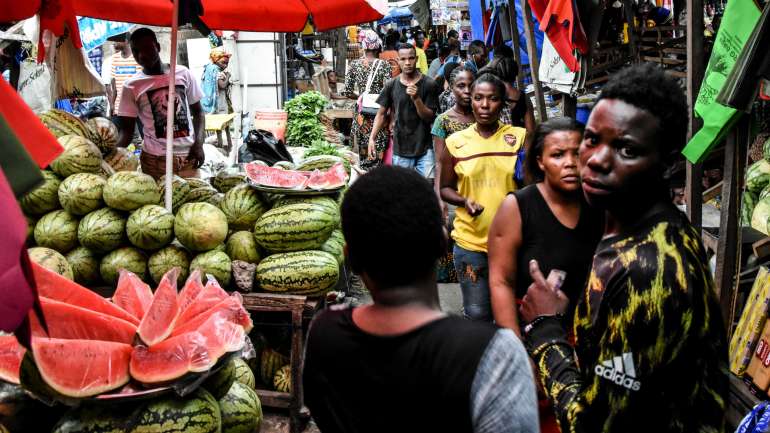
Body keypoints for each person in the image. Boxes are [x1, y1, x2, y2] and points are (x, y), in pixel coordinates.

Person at [519, 64, 728, 432]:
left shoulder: (649, 271)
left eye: (626, 149)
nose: (596, 159)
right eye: (592, 139)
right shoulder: (635, 229)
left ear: (666, 164)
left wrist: (545, 329)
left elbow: (592, 426)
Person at [303, 166, 540, 433]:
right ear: (442, 243)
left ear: (350, 258)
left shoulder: (324, 334)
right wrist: (548, 328)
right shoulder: (494, 354)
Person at [488, 117, 603, 335]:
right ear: (541, 161)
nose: (570, 163)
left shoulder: (599, 203)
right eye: (558, 155)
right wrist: (516, 349)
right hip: (536, 336)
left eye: (577, 154)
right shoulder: (518, 206)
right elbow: (501, 282)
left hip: (592, 338)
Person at [440, 73, 527, 322]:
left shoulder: (518, 138)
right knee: (478, 314)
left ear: (503, 103)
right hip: (470, 243)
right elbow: (445, 187)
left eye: (493, 99)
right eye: (478, 98)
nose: (485, 106)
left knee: (512, 315)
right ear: (471, 100)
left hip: (513, 244)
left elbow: (532, 187)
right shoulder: (456, 143)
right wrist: (463, 201)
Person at [115, 28, 205, 179]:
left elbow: (198, 112)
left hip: (189, 157)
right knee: (160, 203)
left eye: (147, 49)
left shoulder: (183, 73)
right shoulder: (132, 85)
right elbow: (127, 132)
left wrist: (199, 144)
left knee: (194, 202)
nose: (142, 55)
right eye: (136, 51)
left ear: (157, 47)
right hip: (155, 161)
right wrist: (109, 155)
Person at [370, 43, 440, 180]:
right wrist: (372, 138)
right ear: (398, 61)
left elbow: (429, 118)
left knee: (427, 188)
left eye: (411, 58)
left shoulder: (429, 84)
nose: (407, 63)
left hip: (425, 149)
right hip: (401, 148)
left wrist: (416, 98)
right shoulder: (392, 84)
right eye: (403, 59)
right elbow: (381, 113)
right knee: (403, 191)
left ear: (416, 59)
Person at [344, 30, 392, 170]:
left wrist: (361, 97)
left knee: (363, 152)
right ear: (378, 47)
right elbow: (388, 91)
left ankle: (364, 175)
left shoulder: (354, 65)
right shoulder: (384, 65)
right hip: (379, 114)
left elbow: (347, 91)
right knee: (378, 150)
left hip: (362, 116)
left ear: (363, 46)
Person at [480, 57, 536, 136]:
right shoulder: (524, 97)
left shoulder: (492, 97)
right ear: (515, 73)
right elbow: (530, 130)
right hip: (520, 143)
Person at [102, 33, 141, 118]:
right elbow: (114, 87)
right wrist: (112, 105)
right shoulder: (115, 59)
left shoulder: (137, 58)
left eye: (117, 40)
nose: (114, 43)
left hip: (136, 109)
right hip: (119, 110)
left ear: (126, 41)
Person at [200, 47, 232, 114]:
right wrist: (228, 76)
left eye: (227, 63)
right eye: (223, 62)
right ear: (216, 60)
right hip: (217, 104)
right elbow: (222, 85)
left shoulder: (208, 67)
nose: (225, 65)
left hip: (205, 103)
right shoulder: (215, 69)